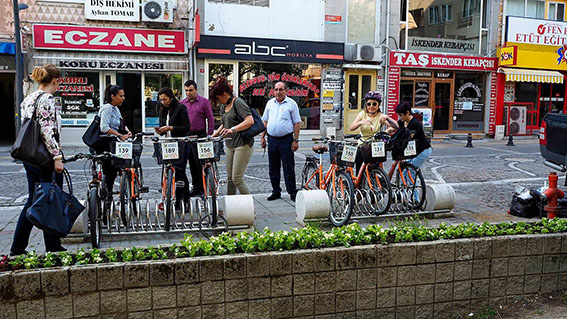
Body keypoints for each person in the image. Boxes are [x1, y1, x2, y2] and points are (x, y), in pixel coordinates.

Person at [10, 64, 66, 256]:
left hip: (30, 155)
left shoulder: (29, 98)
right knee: (50, 198)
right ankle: (52, 245)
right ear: (55, 80)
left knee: (34, 200)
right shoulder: (47, 99)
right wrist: (57, 157)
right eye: (59, 81)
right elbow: (47, 131)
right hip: (45, 158)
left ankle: (18, 247)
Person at [210, 77, 254, 195]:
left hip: (243, 144)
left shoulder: (238, 102)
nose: (218, 102)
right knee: (230, 179)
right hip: (230, 145)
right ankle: (231, 206)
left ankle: (249, 207)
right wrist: (213, 136)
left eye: (218, 98)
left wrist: (232, 130)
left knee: (237, 179)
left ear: (225, 94)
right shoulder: (223, 106)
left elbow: (249, 121)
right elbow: (225, 124)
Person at [260, 82, 301, 202]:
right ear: (273, 91)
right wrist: (263, 137)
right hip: (272, 139)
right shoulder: (270, 103)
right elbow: (265, 121)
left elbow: (297, 123)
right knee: (273, 167)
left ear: (286, 91)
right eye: (276, 89)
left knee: (288, 167)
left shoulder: (291, 104)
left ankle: (292, 192)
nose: (278, 92)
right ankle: (276, 191)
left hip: (286, 140)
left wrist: (296, 140)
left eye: (281, 89)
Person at [155, 87, 191, 204]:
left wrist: (171, 128)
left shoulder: (181, 108)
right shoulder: (163, 110)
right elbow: (163, 126)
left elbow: (186, 127)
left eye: (165, 99)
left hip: (180, 143)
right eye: (161, 100)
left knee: (180, 171)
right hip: (168, 143)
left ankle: (183, 199)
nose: (163, 102)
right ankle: (171, 196)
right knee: (169, 169)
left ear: (171, 98)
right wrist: (161, 130)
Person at [349, 91, 397, 174]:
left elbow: (396, 126)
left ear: (378, 105)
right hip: (363, 145)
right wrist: (361, 122)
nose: (371, 106)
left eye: (374, 104)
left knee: (375, 169)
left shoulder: (381, 116)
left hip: (375, 146)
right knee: (359, 170)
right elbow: (351, 128)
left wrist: (387, 119)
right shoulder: (362, 114)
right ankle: (358, 185)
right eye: (369, 104)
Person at [180, 80, 214, 196]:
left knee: (199, 163)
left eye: (190, 90)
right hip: (187, 135)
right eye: (186, 91)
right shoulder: (183, 103)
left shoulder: (204, 102)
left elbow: (210, 118)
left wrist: (209, 134)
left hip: (200, 135)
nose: (188, 93)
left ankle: (202, 188)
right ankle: (195, 187)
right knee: (191, 163)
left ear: (196, 90)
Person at [98, 85, 132, 198]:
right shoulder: (107, 108)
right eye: (121, 96)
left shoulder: (116, 109)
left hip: (114, 144)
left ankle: (110, 199)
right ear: (113, 96)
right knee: (110, 174)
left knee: (117, 169)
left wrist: (127, 131)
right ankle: (107, 201)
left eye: (124, 96)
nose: (123, 98)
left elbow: (121, 123)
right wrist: (119, 135)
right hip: (105, 145)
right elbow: (104, 127)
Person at [394, 101, 432, 169]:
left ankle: (410, 179)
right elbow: (396, 125)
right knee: (403, 170)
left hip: (422, 151)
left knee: (410, 170)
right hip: (414, 151)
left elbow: (407, 136)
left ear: (407, 113)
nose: (400, 117)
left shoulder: (414, 123)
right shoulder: (404, 121)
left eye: (400, 115)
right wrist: (386, 124)